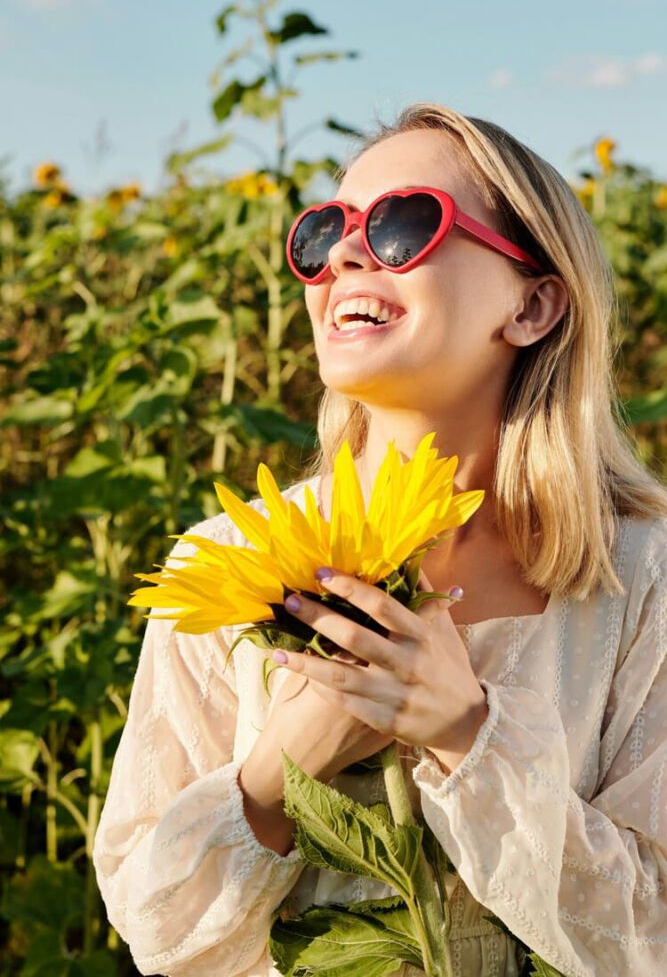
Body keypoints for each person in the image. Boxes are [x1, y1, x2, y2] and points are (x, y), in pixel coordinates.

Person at [93, 103, 667, 977]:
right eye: (325, 233)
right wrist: (287, 764)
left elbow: (651, 931)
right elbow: (157, 928)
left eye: (404, 226)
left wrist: (469, 733)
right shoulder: (225, 564)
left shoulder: (644, 577)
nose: (345, 257)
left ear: (534, 304)